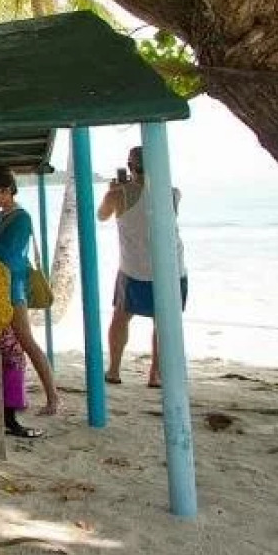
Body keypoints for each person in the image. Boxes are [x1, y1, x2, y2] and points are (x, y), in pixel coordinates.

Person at [0, 167, 60, 415]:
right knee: (3, 343)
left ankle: (53, 398)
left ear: (7, 191)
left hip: (15, 286)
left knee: (26, 340)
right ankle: (12, 397)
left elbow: (10, 255)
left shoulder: (22, 219)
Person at [97, 146, 188, 388]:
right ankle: (155, 373)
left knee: (121, 316)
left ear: (130, 166)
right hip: (171, 267)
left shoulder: (118, 195)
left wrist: (112, 191)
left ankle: (114, 369)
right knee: (162, 322)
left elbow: (101, 215)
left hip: (134, 268)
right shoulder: (173, 193)